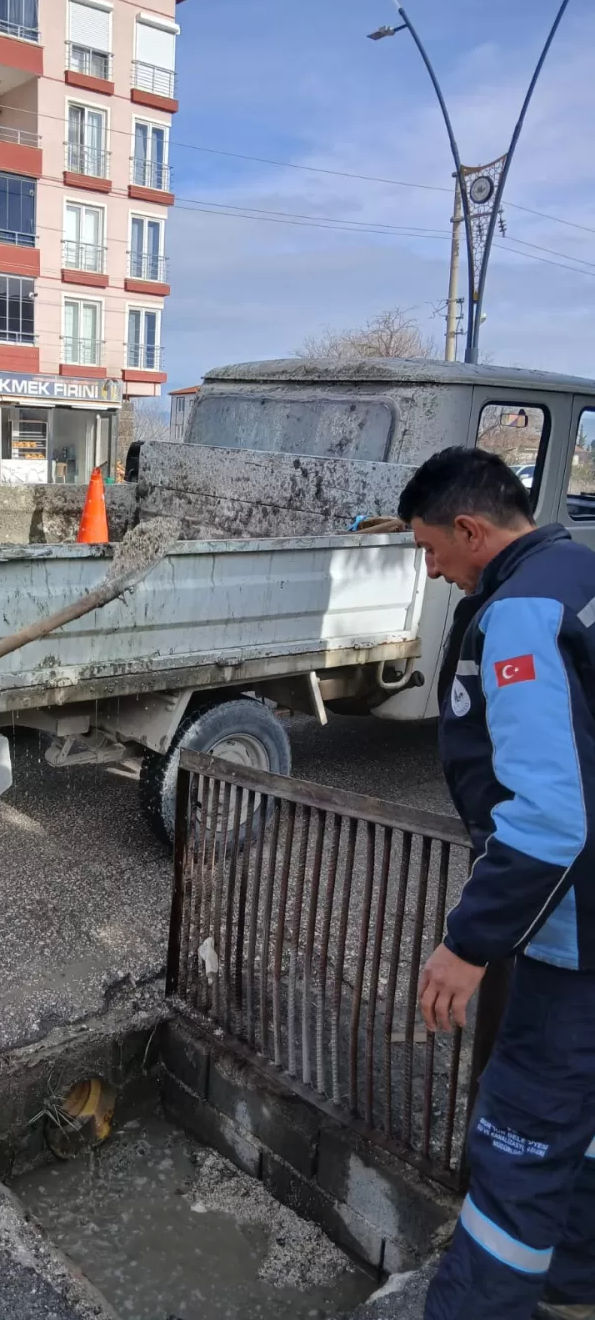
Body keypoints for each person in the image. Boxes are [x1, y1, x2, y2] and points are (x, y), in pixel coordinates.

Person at [397, 447, 595, 1320]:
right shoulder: (581, 569)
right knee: (582, 1134)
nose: (432, 569)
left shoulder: (519, 615)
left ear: (472, 530)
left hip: (579, 940)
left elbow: (551, 815)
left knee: (516, 1149)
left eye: (432, 549)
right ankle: (573, 1289)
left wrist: (467, 944)